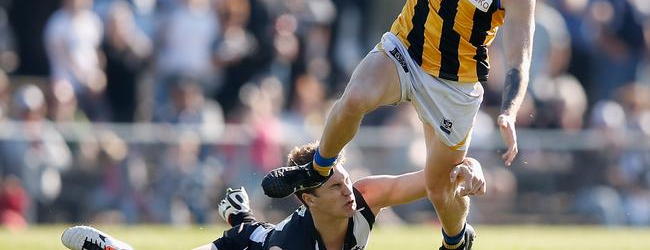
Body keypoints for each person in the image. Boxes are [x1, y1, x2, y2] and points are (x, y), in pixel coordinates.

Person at [261, 0, 548, 249]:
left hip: (454, 83)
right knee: (355, 98)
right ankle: (316, 170)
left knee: (440, 187)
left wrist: (508, 111)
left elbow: (520, 56)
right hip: (406, 48)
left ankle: (456, 240)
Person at [61, 142, 486, 250]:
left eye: (345, 181)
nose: (348, 193)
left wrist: (467, 168)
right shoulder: (293, 245)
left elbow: (430, 179)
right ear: (308, 200)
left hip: (259, 233)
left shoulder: (364, 197)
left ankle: (238, 215)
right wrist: (242, 224)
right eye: (335, 187)